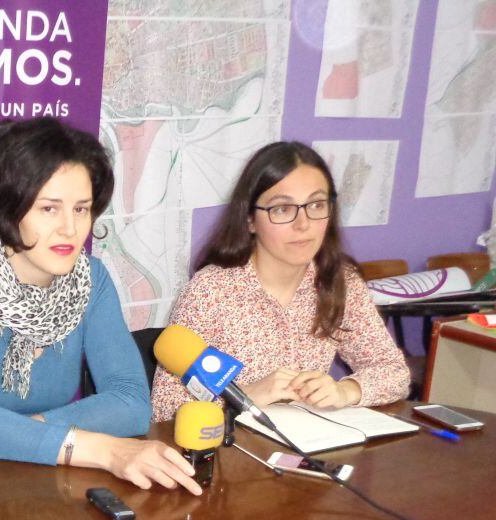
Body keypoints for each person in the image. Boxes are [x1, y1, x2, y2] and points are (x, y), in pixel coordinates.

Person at [0, 116, 201, 496]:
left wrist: (27, 435)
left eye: (81, 209)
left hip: (42, 463)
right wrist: (100, 448)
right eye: (49, 209)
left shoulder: (92, 279)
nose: (70, 230)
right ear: (10, 207)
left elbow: (131, 402)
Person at [151, 141, 409, 422]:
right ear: (250, 219)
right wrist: (245, 397)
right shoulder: (211, 291)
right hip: (233, 453)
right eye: (283, 209)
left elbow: (393, 371)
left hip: (309, 445)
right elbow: (165, 410)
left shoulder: (338, 281)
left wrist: (345, 390)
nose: (303, 224)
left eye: (316, 205)